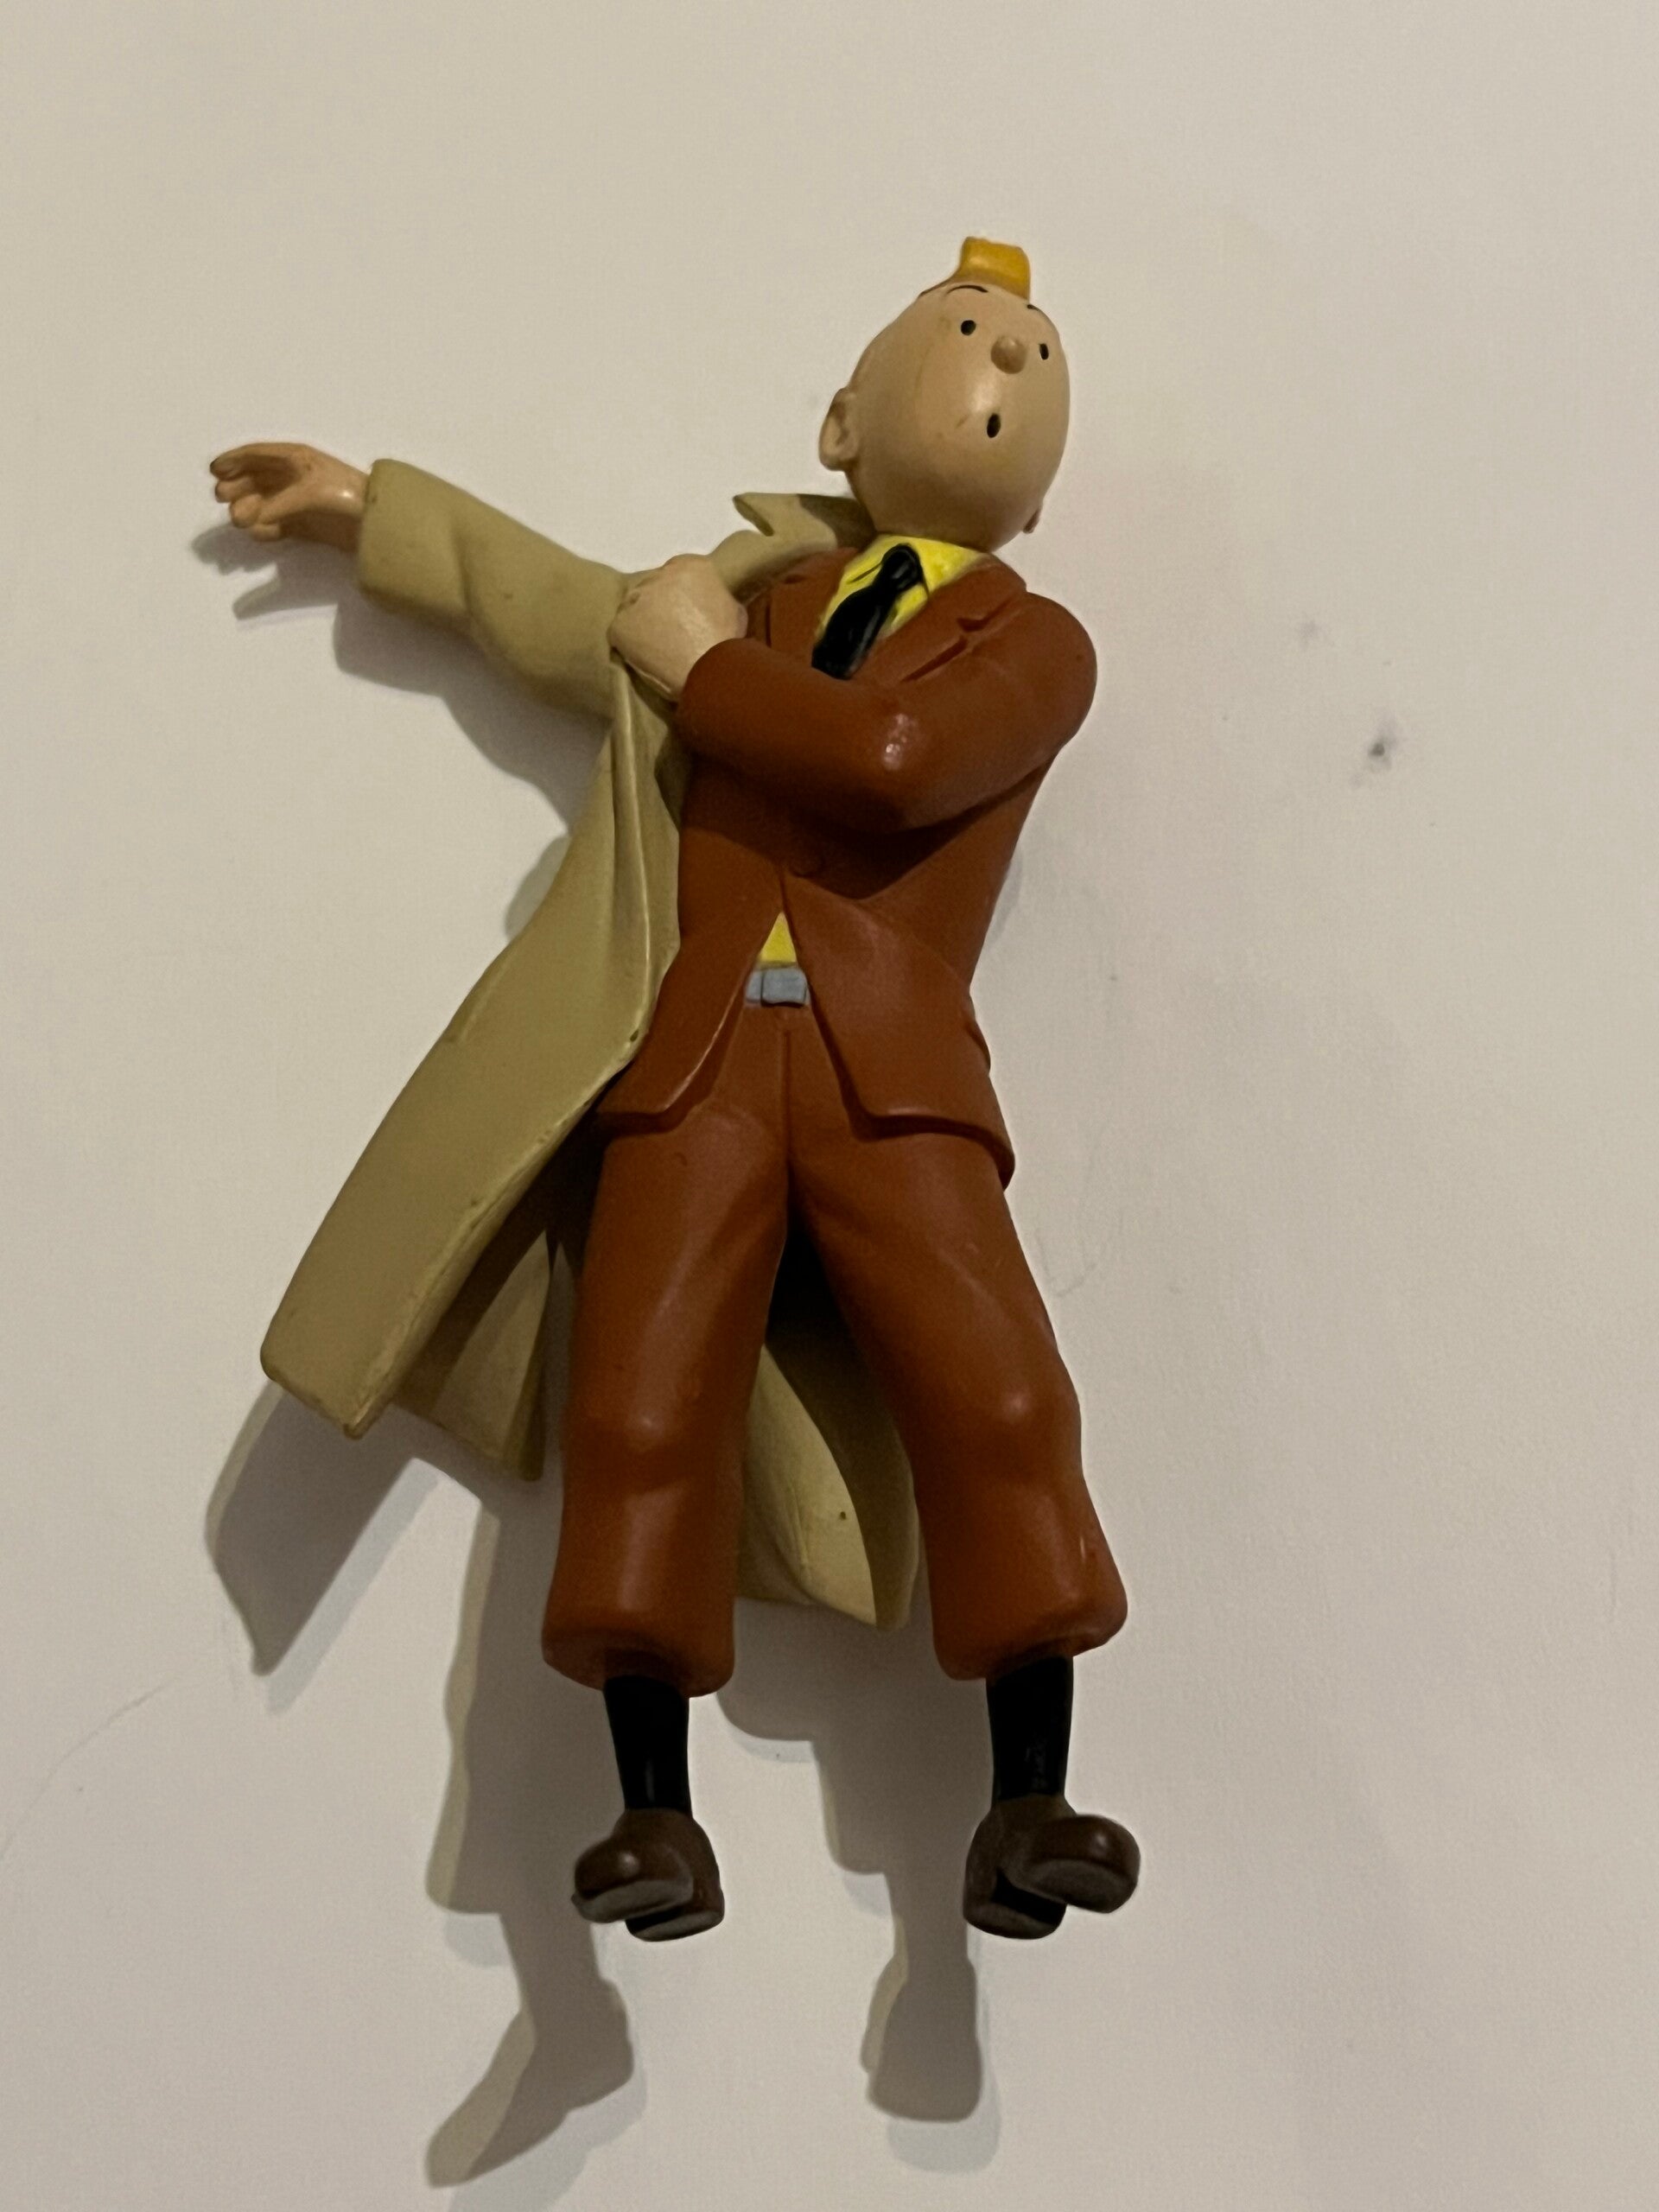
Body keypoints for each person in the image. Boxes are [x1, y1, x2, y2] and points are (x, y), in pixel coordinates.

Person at [212, 238, 1137, 1945]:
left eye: (1032, 350)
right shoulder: (745, 595)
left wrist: (705, 668)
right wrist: (371, 511)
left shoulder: (1034, 644)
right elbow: (561, 607)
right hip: (697, 1059)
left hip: (891, 1076)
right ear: (842, 423)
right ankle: (654, 1813)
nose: (1004, 357)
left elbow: (896, 765)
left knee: (998, 1397)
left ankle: (1031, 1794)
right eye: (965, 332)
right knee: (640, 1413)